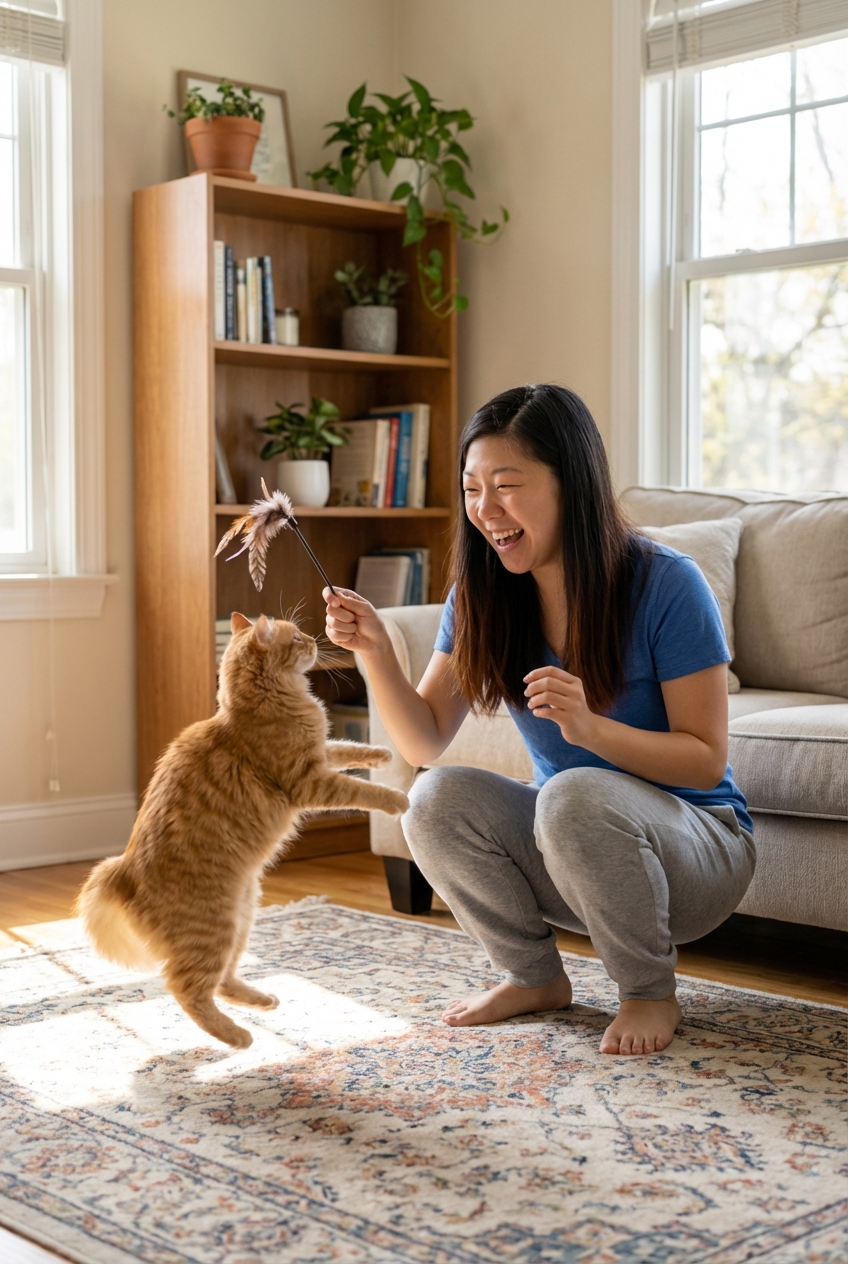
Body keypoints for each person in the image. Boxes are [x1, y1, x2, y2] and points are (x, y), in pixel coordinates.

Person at [323, 384, 754, 1056]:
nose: (485, 511)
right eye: (471, 489)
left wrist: (591, 730)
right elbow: (425, 741)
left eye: (506, 486)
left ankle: (647, 989)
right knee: (433, 799)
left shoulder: (668, 583)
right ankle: (534, 977)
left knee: (572, 793)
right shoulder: (484, 595)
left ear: (570, 484)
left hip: (697, 852)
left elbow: (704, 758)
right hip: (573, 846)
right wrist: (375, 652)